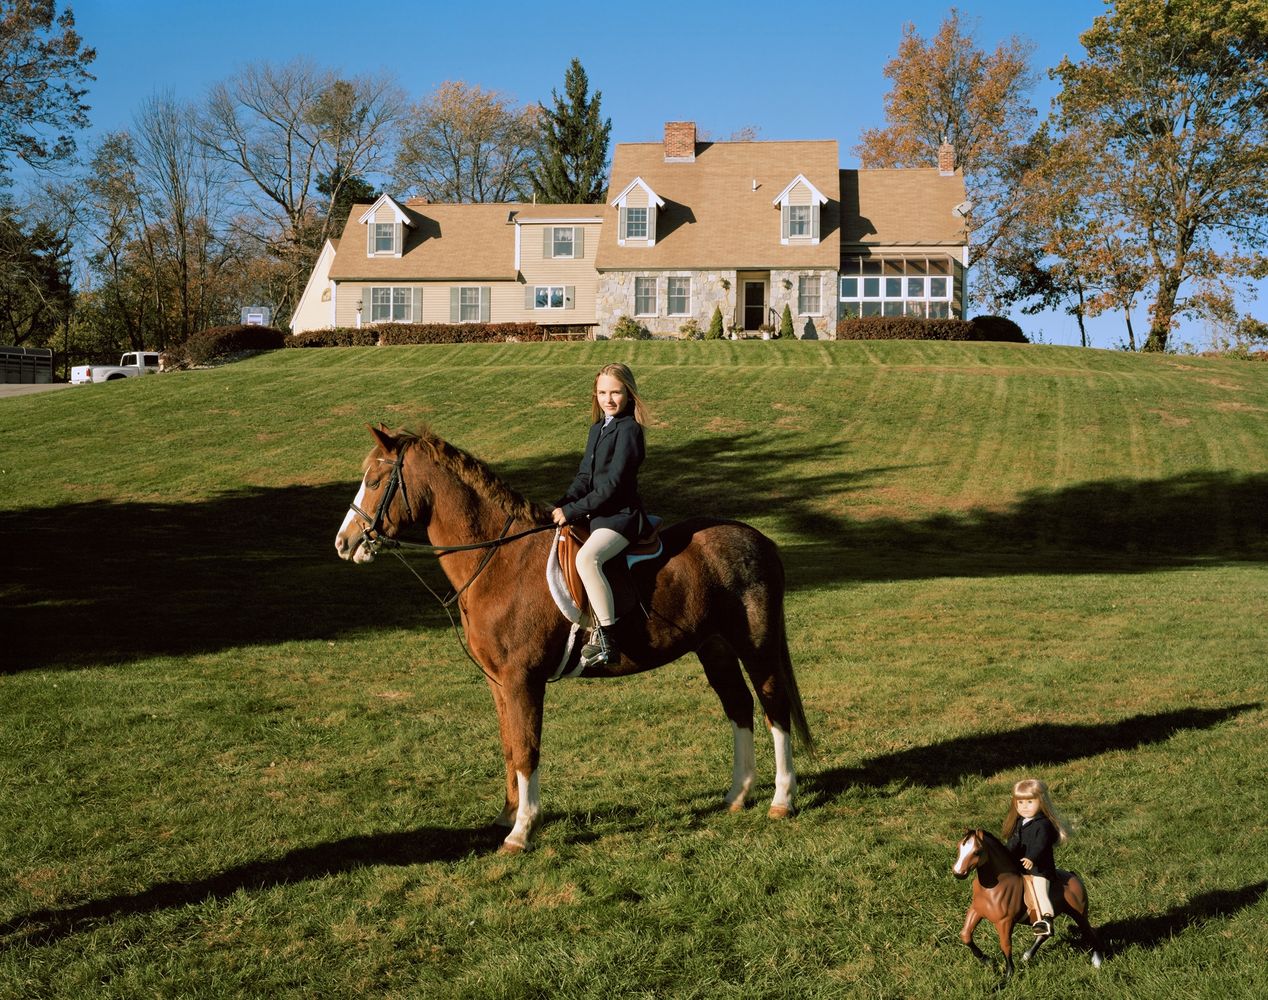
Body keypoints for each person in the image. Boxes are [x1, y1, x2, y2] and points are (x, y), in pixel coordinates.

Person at [551, 362, 650, 668]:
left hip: (620, 517)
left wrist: (573, 510)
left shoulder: (630, 430)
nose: (609, 399)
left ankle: (608, 638)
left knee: (587, 559)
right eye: (602, 392)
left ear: (629, 394)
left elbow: (612, 486)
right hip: (596, 516)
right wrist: (563, 502)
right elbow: (585, 476)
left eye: (616, 392)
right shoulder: (598, 428)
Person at [1002, 777, 1072, 935]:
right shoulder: (1020, 822)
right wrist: (1005, 854)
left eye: (1029, 802)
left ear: (1041, 802)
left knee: (1040, 890)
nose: (1024, 807)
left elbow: (1040, 845)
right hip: (1020, 866)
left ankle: (1046, 920)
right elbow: (1014, 842)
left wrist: (1031, 858)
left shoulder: (1044, 825)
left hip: (1039, 868)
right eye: (1020, 803)